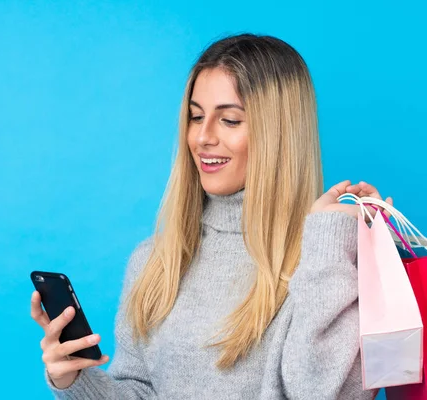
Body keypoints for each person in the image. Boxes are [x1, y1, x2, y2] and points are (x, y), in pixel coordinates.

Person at [31, 33, 391, 399]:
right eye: (196, 116)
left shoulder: (328, 263)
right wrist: (74, 380)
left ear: (279, 133)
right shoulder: (155, 262)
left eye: (230, 120)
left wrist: (331, 241)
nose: (202, 137)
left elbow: (325, 393)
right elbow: (137, 390)